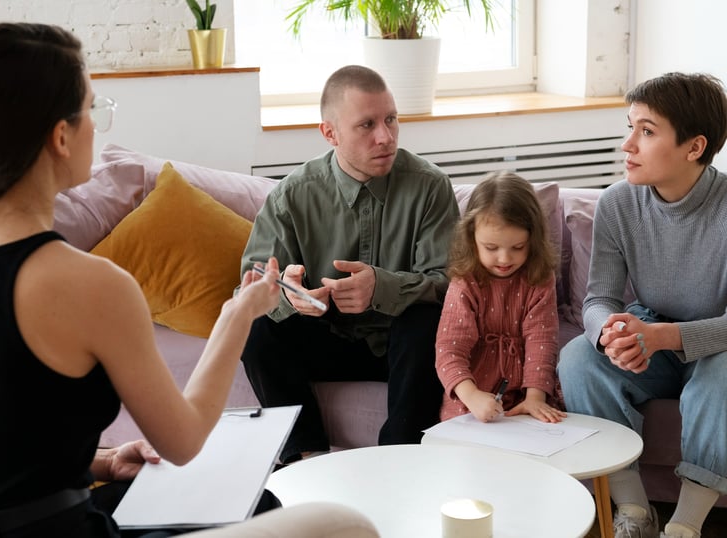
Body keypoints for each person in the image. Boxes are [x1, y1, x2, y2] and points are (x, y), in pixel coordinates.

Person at [0, 22, 282, 536]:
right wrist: (238, 312)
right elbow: (183, 440)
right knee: (336, 521)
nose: (97, 125)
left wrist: (99, 463)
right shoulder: (91, 284)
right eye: (92, 108)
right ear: (60, 136)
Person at [239, 64, 460, 463]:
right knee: (259, 330)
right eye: (367, 125)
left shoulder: (430, 186)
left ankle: (401, 459)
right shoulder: (292, 196)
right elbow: (248, 291)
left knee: (427, 319)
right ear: (330, 132)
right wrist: (289, 295)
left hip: (403, 347)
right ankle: (304, 457)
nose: (386, 137)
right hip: (326, 341)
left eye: (391, 119)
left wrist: (383, 287)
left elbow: (450, 285)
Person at [557, 72, 727, 538]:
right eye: (629, 126)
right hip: (650, 335)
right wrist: (610, 332)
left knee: (724, 374)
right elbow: (599, 299)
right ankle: (632, 509)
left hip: (716, 347)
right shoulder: (616, 203)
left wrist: (664, 337)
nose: (628, 144)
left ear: (694, 147)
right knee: (577, 357)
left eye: (646, 131)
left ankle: (686, 525)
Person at [434, 171, 565, 425]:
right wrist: (471, 396)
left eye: (518, 247)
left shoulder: (539, 278)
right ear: (472, 239)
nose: (504, 259)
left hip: (524, 396)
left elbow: (542, 339)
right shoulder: (465, 282)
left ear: (533, 239)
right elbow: (449, 350)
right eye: (491, 248)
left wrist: (535, 397)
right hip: (470, 399)